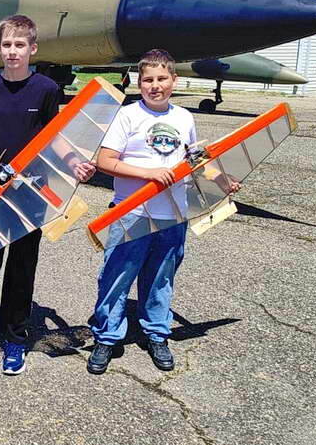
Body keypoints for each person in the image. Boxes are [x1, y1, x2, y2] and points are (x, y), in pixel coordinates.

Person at [0, 14, 95, 375]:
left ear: (32, 48)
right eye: (7, 44)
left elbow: (53, 137)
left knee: (21, 269)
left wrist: (75, 162)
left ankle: (15, 339)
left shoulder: (46, 89)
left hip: (31, 195)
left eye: (20, 45)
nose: (12, 51)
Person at [86, 49, 239, 375]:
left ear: (174, 80)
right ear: (139, 82)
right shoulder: (128, 116)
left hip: (173, 215)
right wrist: (149, 175)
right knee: (116, 277)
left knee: (161, 278)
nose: (155, 86)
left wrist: (222, 181)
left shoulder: (184, 117)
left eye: (161, 79)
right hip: (132, 213)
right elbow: (105, 161)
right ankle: (107, 337)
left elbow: (194, 160)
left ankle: (157, 333)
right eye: (148, 80)